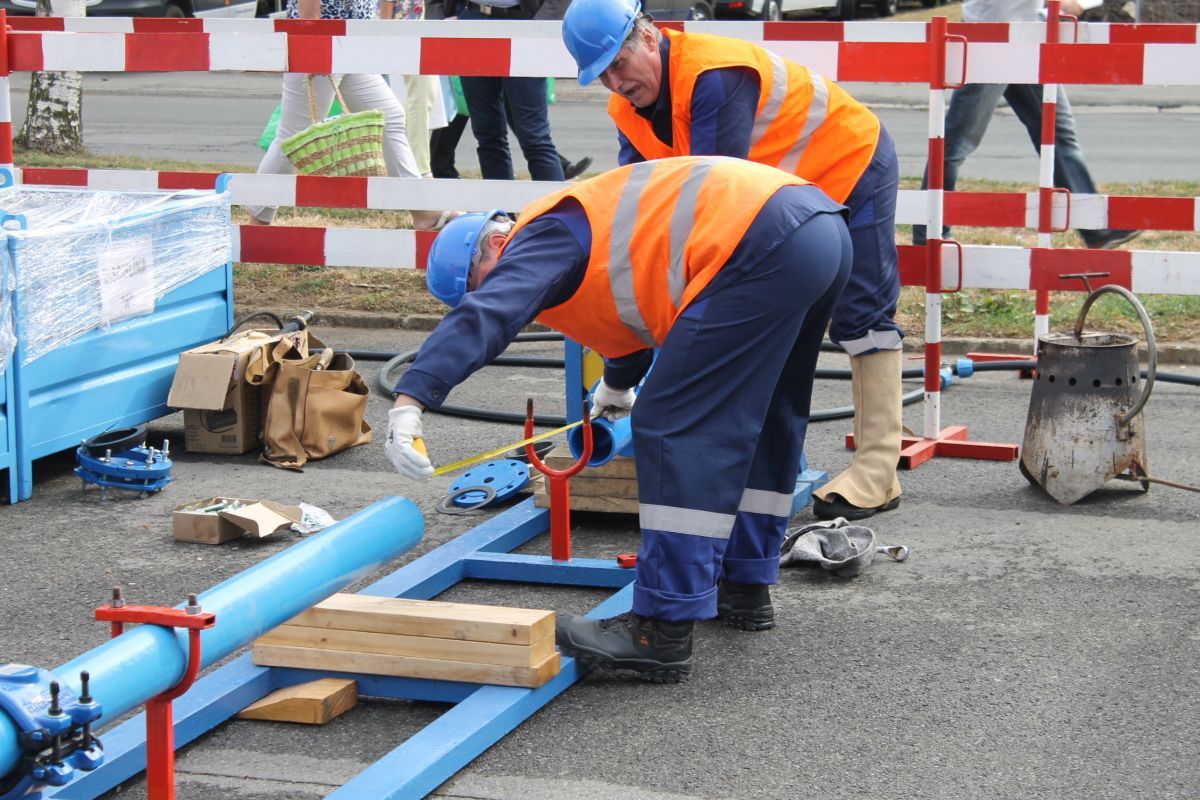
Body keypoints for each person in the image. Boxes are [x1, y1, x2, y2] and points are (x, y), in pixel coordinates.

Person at [384, 156, 852, 681]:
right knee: (767, 413)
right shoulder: (578, 243)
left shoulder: (543, 234)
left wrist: (411, 399)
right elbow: (628, 321)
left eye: (483, 283)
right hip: (817, 230)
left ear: (496, 243)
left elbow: (487, 315)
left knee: (676, 426)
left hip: (756, 239)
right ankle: (744, 584)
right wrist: (616, 385)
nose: (497, 292)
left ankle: (660, 630)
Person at [562, 0, 905, 523]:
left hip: (848, 164)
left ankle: (878, 469)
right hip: (786, 198)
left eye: (618, 65)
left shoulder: (715, 76)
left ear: (648, 38)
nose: (615, 83)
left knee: (861, 316)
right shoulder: (627, 111)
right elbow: (637, 207)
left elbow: (718, 203)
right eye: (602, 75)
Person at [913, 0, 1140, 249]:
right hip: (992, 37)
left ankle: (1095, 228)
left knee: (1058, 133)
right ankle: (928, 234)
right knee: (957, 142)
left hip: (1025, 37)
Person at [247, 0, 450, 231]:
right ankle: (256, 226)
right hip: (326, 41)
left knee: (389, 117)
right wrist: (314, 44)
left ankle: (422, 211)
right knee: (291, 137)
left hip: (348, 44)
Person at [442, 0, 566, 181]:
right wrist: (438, 15)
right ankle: (499, 200)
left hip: (525, 23)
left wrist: (542, 23)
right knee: (487, 134)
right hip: (472, 20)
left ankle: (555, 201)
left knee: (534, 137)